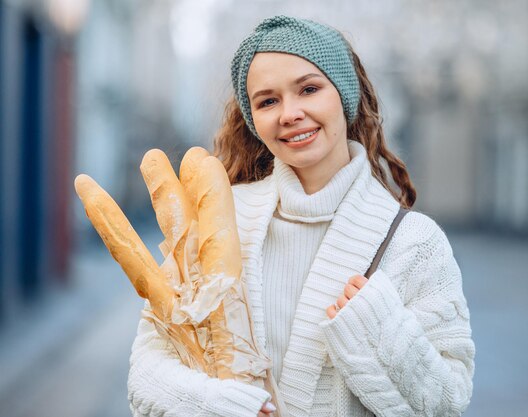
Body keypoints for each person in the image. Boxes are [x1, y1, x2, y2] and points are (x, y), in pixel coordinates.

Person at [127, 15, 475, 417]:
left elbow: (448, 401)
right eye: (268, 101)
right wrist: (225, 405)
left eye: (309, 89)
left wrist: (378, 323)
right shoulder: (218, 224)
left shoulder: (414, 243)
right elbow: (147, 374)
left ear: (344, 95)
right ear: (254, 119)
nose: (289, 114)